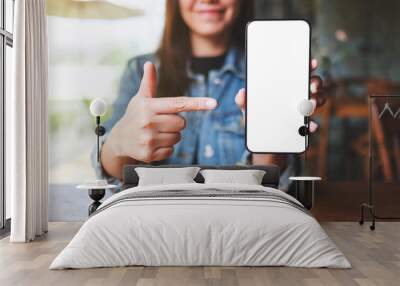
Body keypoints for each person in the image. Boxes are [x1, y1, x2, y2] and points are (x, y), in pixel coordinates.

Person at [95, 0, 324, 189]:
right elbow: (113, 175)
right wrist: (118, 143)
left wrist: (271, 141)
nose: (208, 0)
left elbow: (273, 186)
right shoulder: (139, 70)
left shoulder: (269, 74)